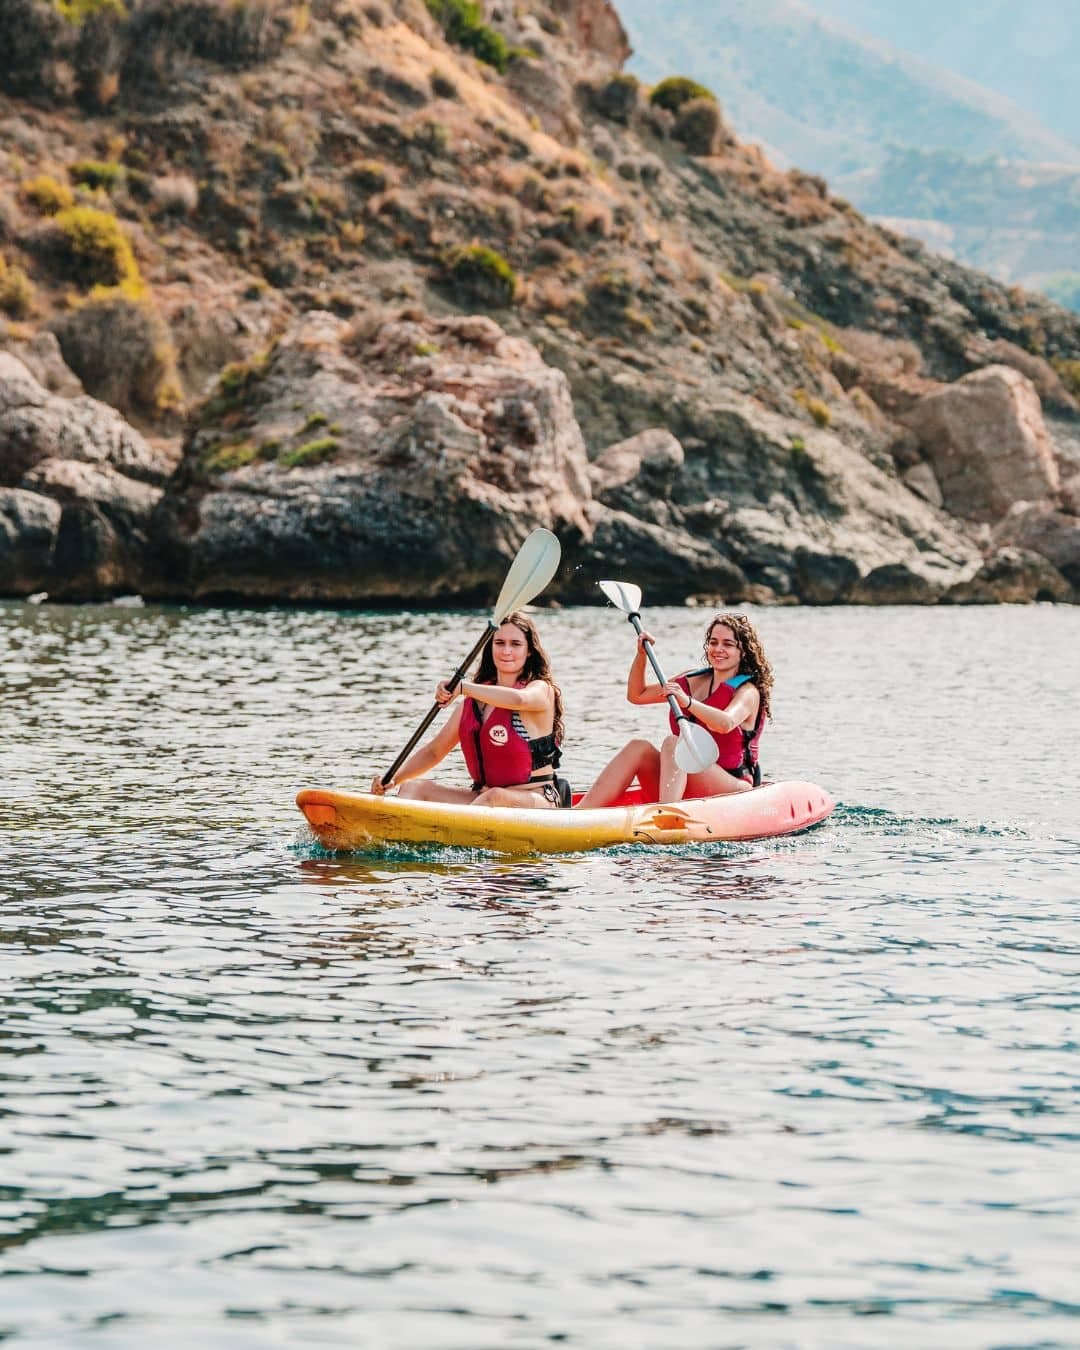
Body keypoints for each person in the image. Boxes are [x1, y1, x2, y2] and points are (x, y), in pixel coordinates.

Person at [369, 611, 568, 809]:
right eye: (499, 643)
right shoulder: (471, 705)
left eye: (515, 644)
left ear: (529, 650)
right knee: (414, 787)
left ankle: (453, 834)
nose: (506, 651)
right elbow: (434, 752)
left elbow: (519, 699)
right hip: (482, 798)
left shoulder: (541, 690)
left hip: (536, 799)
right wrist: (394, 778)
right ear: (490, 647)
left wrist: (463, 687)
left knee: (495, 796)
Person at [575, 612, 773, 808]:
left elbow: (725, 723)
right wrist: (641, 655)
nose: (718, 649)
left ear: (743, 651)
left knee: (673, 743)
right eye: (713, 642)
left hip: (731, 788)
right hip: (684, 780)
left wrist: (687, 702)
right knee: (639, 747)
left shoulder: (748, 692)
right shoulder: (692, 680)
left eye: (728, 644)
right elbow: (638, 695)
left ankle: (666, 814)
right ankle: (580, 813)